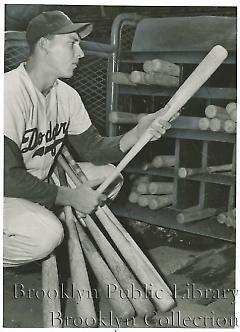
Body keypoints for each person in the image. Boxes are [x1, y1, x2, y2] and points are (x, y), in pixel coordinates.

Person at [4, 10, 171, 267]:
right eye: (72, 43)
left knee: (110, 177)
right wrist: (69, 197)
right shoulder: (8, 93)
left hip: (31, 187)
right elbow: (7, 177)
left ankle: (41, 217)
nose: (80, 53)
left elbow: (94, 149)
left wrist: (138, 133)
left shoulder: (66, 96)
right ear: (44, 44)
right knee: (46, 236)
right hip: (6, 190)